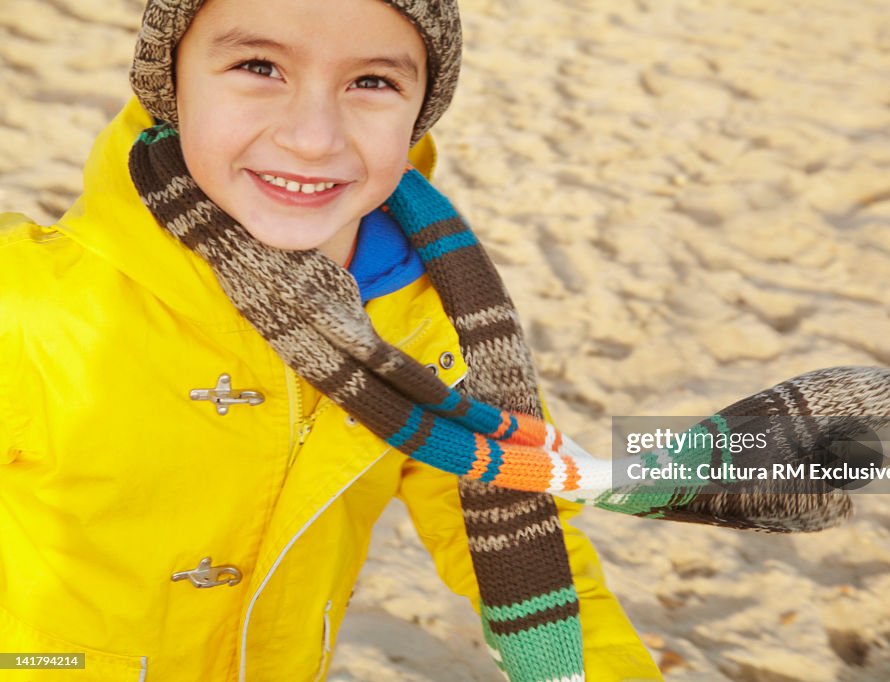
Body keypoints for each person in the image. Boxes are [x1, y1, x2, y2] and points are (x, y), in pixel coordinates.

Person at [0, 0, 665, 680]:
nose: (313, 137)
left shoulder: (430, 323)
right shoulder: (27, 301)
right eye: (258, 67)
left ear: (420, 109)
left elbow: (515, 528)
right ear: (170, 85)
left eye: (372, 82)